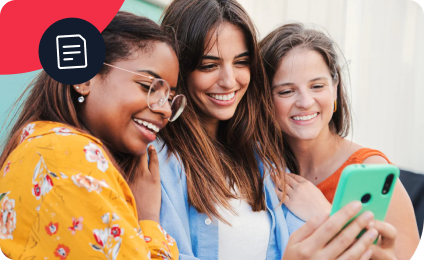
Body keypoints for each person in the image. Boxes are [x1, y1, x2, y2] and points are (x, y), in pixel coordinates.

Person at [147, 1, 382, 259]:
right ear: (179, 67)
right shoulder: (157, 159)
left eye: (241, 62)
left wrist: (325, 214)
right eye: (209, 65)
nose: (229, 81)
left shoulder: (262, 156)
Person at [0, 11, 186, 260]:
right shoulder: (66, 156)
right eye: (147, 86)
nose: (164, 109)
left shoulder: (46, 147)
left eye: (170, 99)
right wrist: (148, 220)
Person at [260, 22, 420, 259]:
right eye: (286, 91)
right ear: (264, 99)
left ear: (335, 88)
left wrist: (326, 214)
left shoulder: (373, 171)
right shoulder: (261, 167)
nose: (305, 101)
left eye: (317, 86)